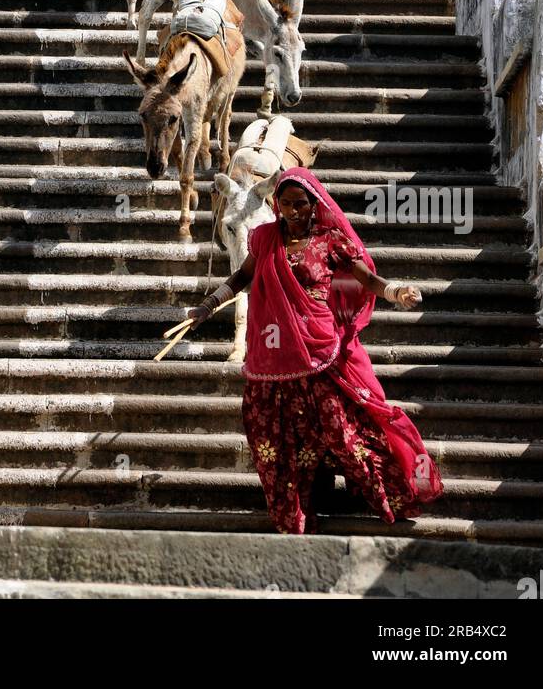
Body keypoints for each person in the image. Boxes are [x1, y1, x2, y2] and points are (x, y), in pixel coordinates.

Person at [187, 167, 442, 534]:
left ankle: (390, 494)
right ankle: (298, 507)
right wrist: (208, 306)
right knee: (281, 437)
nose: (292, 211)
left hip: (320, 353)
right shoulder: (264, 239)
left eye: (300, 204)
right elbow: (242, 276)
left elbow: (366, 279)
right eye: (286, 204)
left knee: (343, 432)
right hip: (273, 360)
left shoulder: (329, 240)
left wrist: (396, 291)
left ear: (314, 205)